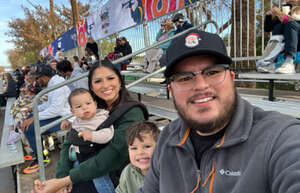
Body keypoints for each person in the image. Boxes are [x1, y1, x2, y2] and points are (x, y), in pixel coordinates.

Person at [138, 30, 300, 193]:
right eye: (185, 78)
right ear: (171, 90)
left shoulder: (280, 138)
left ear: (231, 78)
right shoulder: (168, 139)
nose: (201, 85)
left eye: (212, 72)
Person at [33, 60, 148, 193]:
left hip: (117, 176)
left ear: (120, 82)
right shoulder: (90, 107)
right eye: (98, 81)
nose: (105, 85)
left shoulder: (133, 112)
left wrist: (65, 181)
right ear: (91, 86)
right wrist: (62, 177)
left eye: (110, 78)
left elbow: (113, 155)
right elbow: (70, 141)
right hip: (86, 168)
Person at [21, 65, 71, 174]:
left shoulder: (58, 84)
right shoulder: (52, 83)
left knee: (30, 128)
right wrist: (34, 109)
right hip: (57, 114)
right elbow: (49, 104)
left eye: (38, 78)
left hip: (64, 118)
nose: (37, 81)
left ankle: (42, 159)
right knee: (27, 120)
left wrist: (35, 118)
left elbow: (55, 110)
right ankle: (38, 151)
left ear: (44, 77)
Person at [68, 88, 115, 193]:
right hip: (80, 156)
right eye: (79, 106)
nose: (85, 108)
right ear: (72, 111)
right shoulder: (77, 120)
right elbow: (74, 129)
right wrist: (67, 123)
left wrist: (93, 136)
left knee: (100, 180)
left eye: (88, 103)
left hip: (96, 157)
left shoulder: (101, 118)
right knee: (73, 174)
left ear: (95, 104)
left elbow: (108, 134)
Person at [115, 121, 160, 193]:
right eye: (134, 148)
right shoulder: (128, 171)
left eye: (147, 146)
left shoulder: (167, 174)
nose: (140, 152)